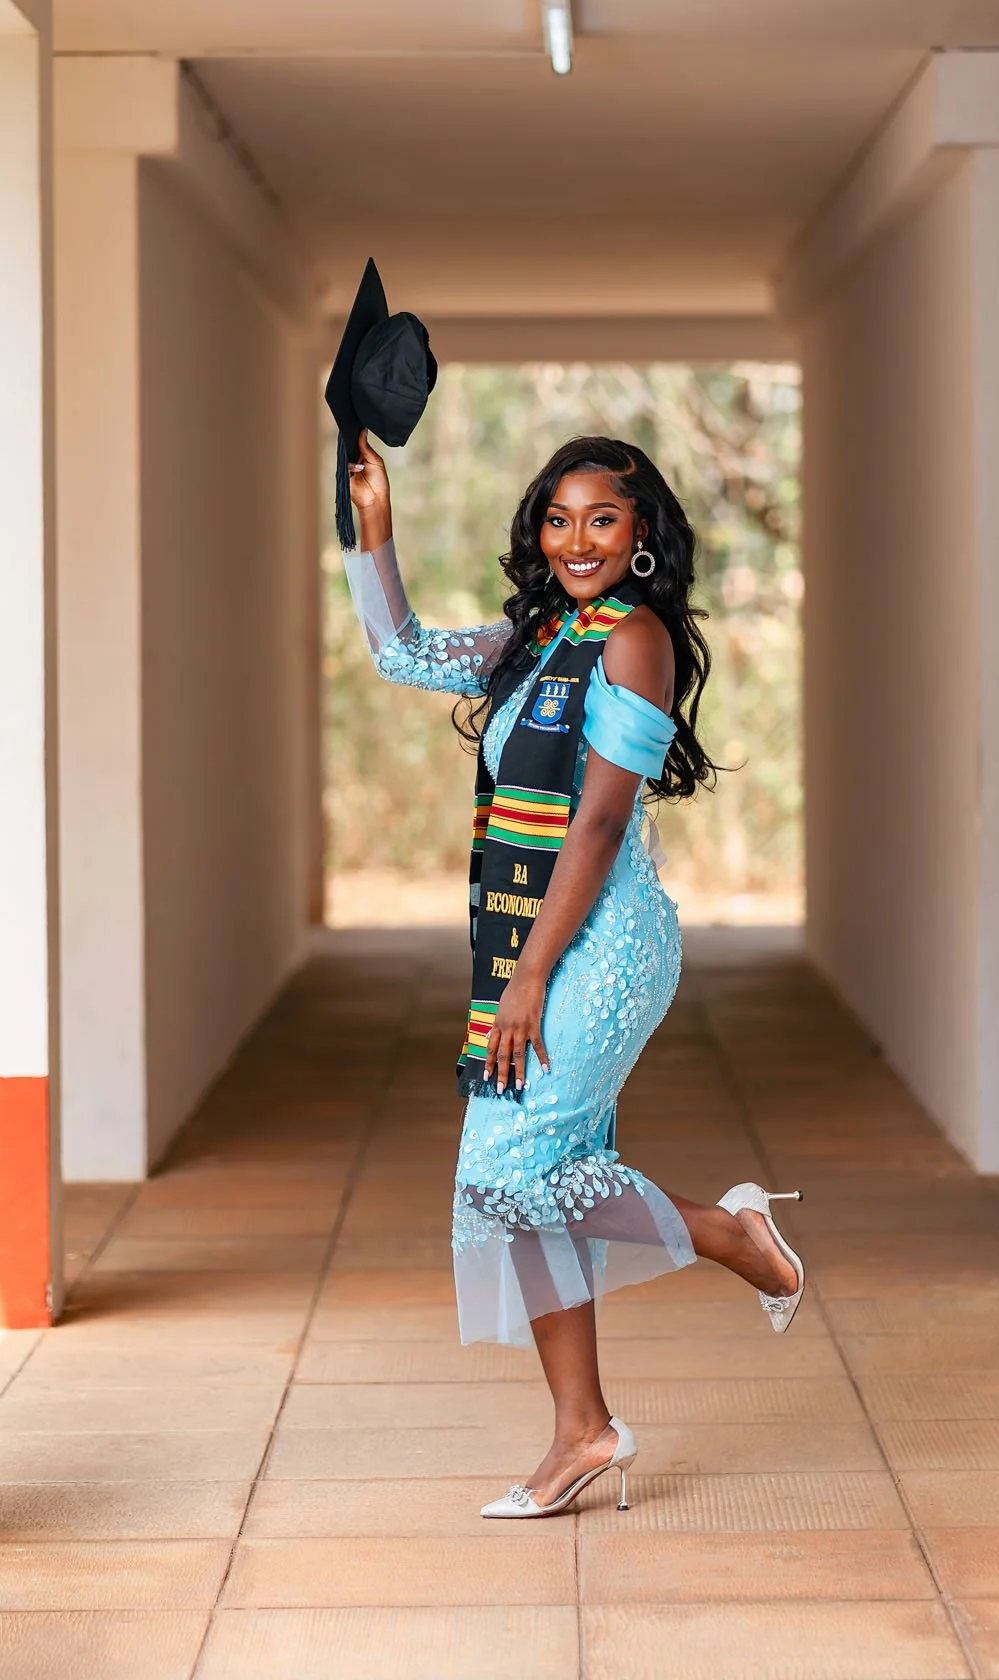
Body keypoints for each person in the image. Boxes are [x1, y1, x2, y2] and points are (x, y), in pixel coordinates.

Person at [344, 430, 805, 1518]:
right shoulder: (534, 635)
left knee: (508, 1175)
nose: (577, 539)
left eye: (603, 518)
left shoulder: (632, 639)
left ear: (642, 532)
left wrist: (529, 975)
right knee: (530, 1183)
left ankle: (734, 1234)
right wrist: (375, 530)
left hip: (599, 944)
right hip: (545, 941)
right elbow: (400, 652)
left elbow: (596, 823)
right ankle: (581, 1431)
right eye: (559, 518)